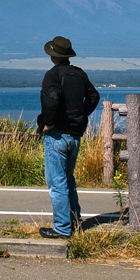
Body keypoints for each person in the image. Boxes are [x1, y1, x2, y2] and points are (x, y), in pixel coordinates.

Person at [36, 35, 100, 239]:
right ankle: (75, 221)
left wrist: (49, 122)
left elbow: (52, 99)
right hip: (76, 134)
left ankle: (62, 228)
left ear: (52, 55)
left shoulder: (52, 76)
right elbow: (94, 96)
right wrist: (80, 114)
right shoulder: (79, 74)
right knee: (68, 179)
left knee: (57, 183)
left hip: (57, 135)